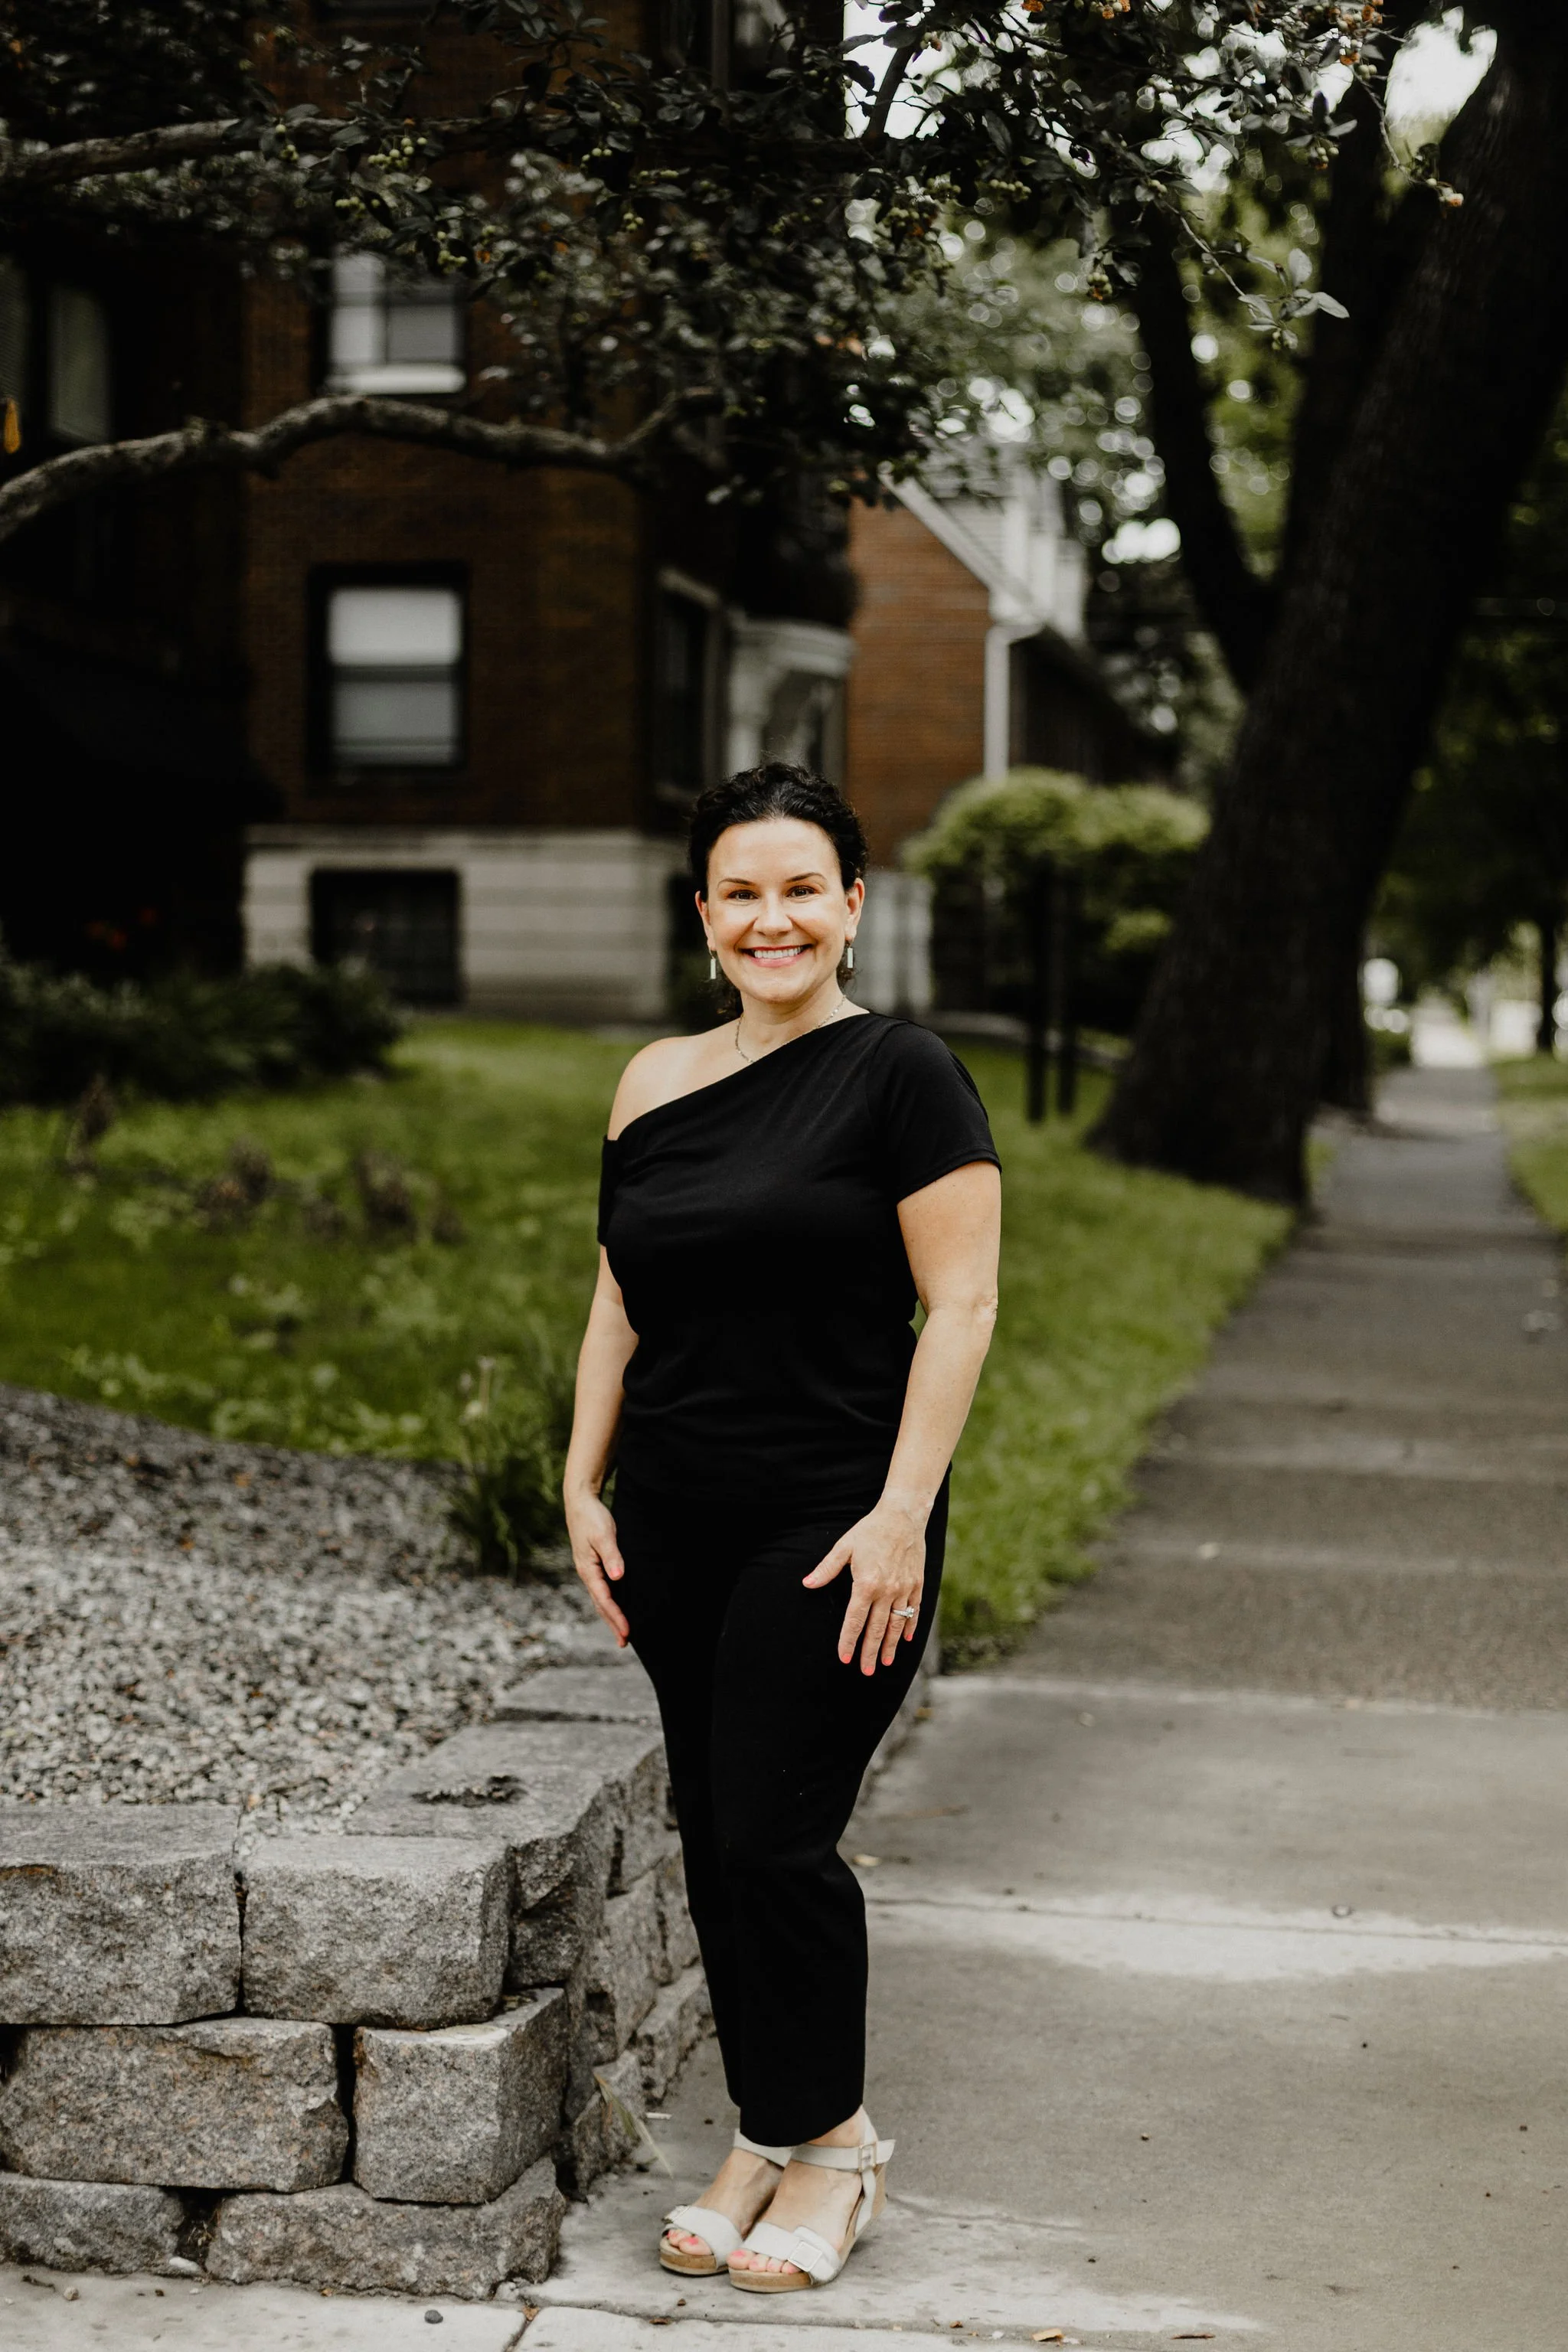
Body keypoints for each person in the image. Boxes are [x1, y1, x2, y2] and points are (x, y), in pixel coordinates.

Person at [563, 763, 1001, 2295]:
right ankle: (766, 2132)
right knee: (713, 1831)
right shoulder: (650, 1083)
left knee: (774, 1833)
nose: (772, 919)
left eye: (800, 888)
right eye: (740, 893)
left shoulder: (904, 1075)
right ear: (703, 916)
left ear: (852, 905)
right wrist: (578, 1477)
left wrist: (900, 1517)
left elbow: (961, 1302)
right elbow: (621, 1292)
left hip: (831, 1523)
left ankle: (839, 2151)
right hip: (673, 1519)